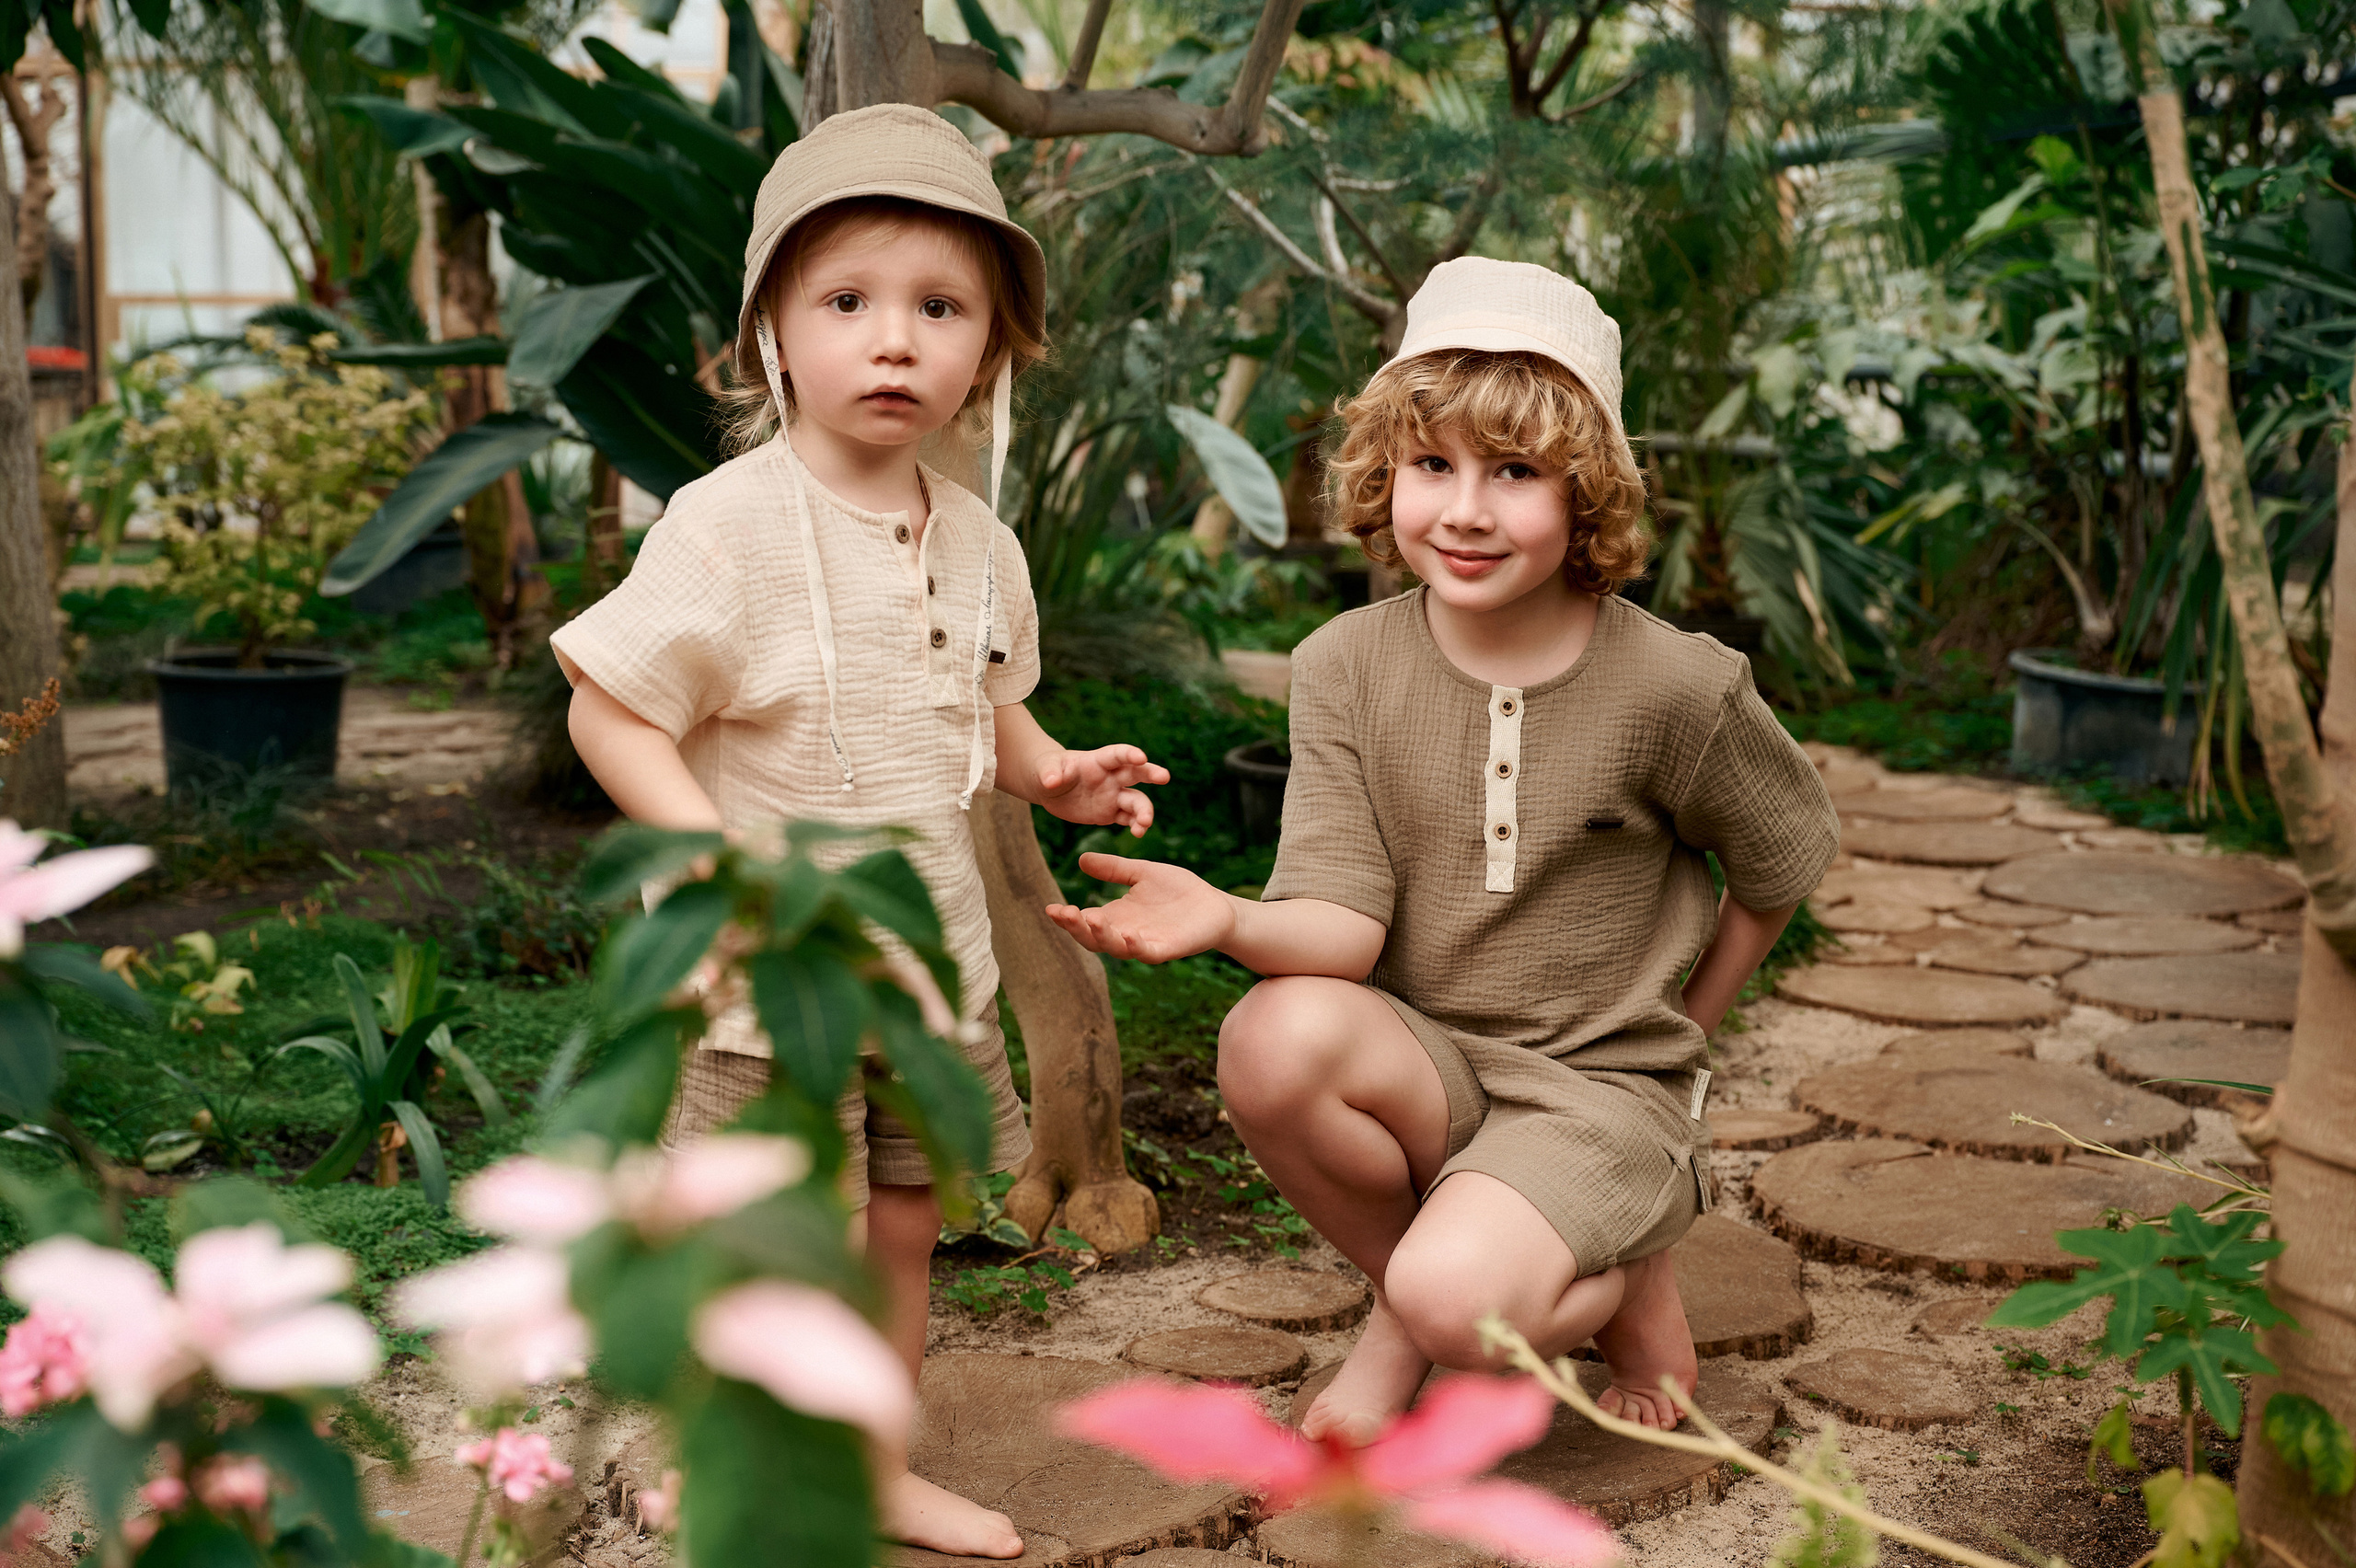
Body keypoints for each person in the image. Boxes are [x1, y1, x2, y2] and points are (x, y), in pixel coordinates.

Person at [1045, 257, 1839, 1442]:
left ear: (1587, 494)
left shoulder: (1678, 684)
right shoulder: (1344, 668)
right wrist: (1224, 912)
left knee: (1458, 1304)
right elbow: (1340, 929)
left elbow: (1783, 862)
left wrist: (1684, 1045)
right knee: (1270, 1038)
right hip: (1434, 1067)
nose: (1464, 510)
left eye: (1514, 472)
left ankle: (1591, 1264)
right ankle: (1478, 1282)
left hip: (1601, 1092)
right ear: (1388, 472)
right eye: (1433, 466)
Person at [553, 104, 1165, 1560]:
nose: (895, 342)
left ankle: (873, 1461)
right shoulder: (726, 527)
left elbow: (979, 708)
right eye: (848, 303)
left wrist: (1053, 772)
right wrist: (708, 855)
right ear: (773, 332)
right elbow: (610, 711)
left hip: (927, 967)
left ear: (991, 349)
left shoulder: (980, 541)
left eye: (940, 309)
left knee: (901, 1230)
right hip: (765, 983)